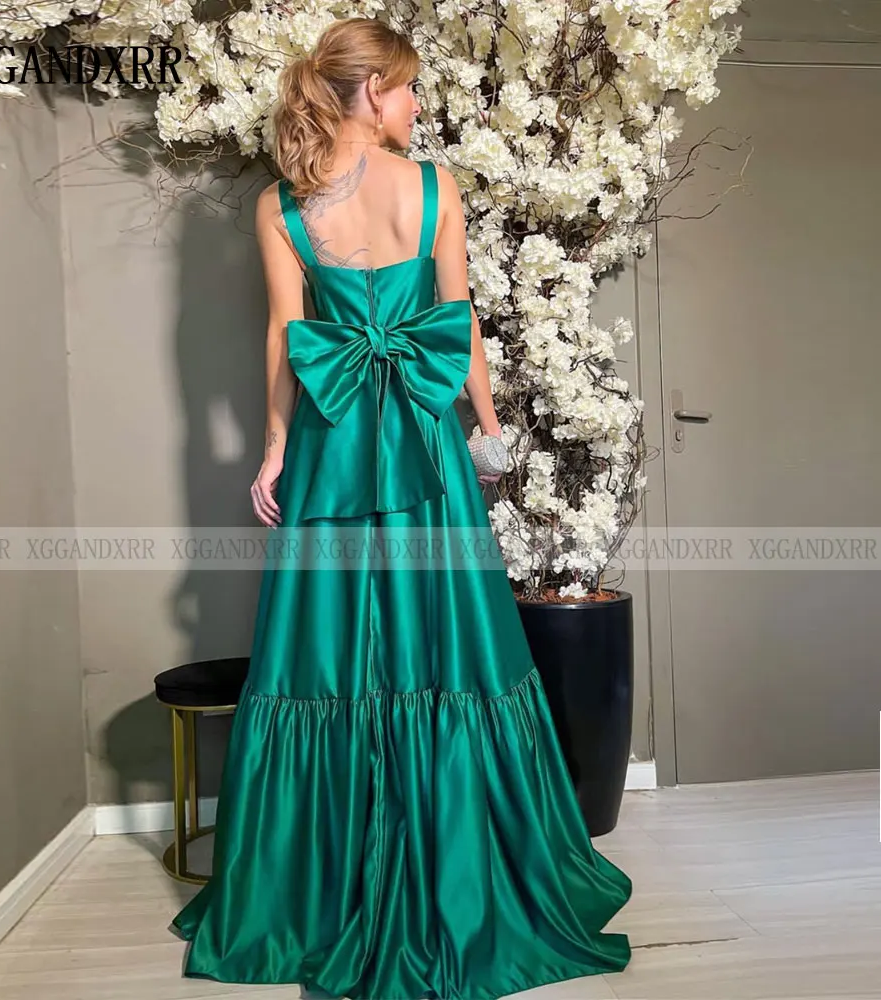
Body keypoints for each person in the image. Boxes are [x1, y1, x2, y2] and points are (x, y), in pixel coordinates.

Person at [171, 17, 632, 999]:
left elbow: (285, 335)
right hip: (423, 443)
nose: (418, 105)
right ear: (373, 90)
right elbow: (458, 325)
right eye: (410, 88)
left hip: (334, 443)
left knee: (328, 650)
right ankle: (462, 866)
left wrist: (275, 445)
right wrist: (488, 430)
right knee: (446, 645)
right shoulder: (433, 188)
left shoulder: (280, 203)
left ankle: (317, 884)